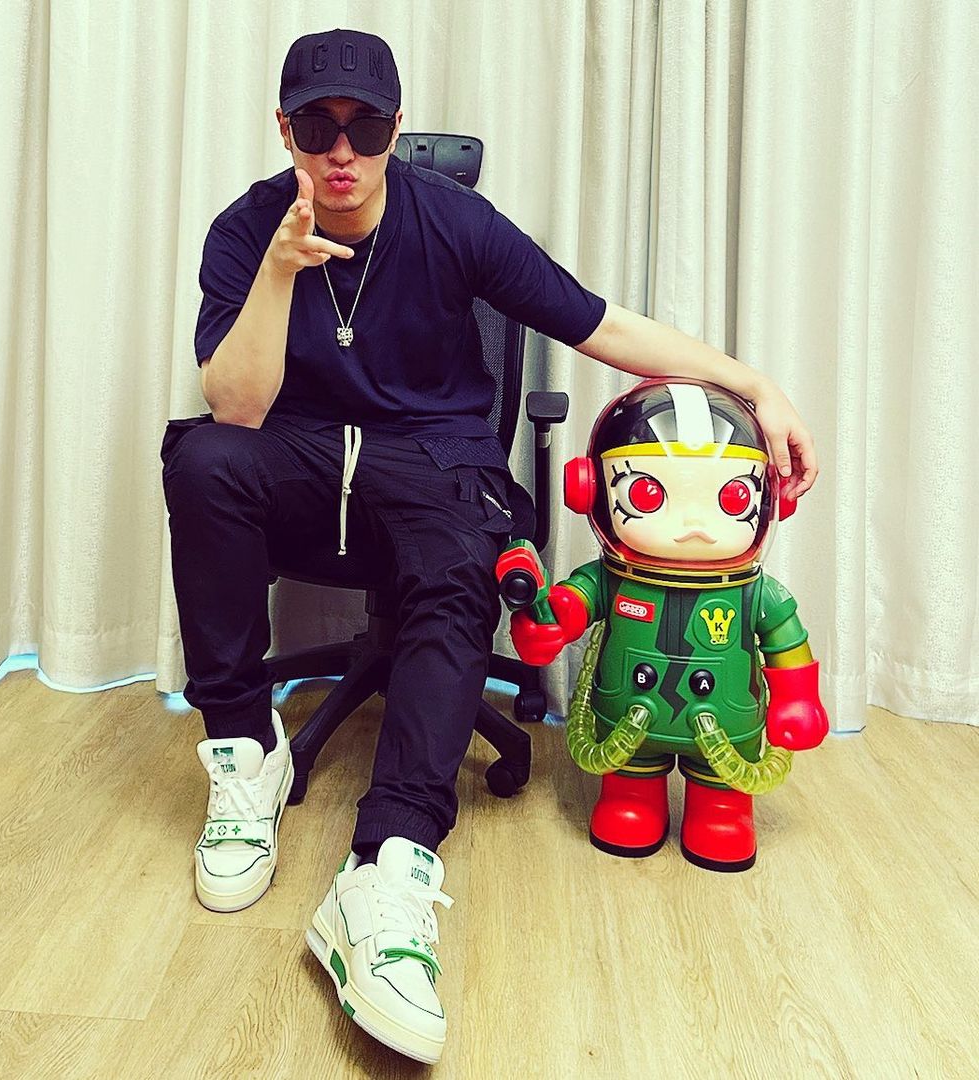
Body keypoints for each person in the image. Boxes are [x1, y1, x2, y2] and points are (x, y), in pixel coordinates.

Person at [160, 27, 818, 1065]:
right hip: (296, 459)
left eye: (366, 126)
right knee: (203, 460)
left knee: (459, 552)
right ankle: (246, 757)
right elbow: (236, 407)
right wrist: (279, 274)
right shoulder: (248, 231)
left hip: (432, 460)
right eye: (318, 126)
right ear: (284, 129)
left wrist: (753, 382)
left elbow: (597, 323)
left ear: (398, 127)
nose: (342, 151)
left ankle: (387, 870)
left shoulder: (452, 221)